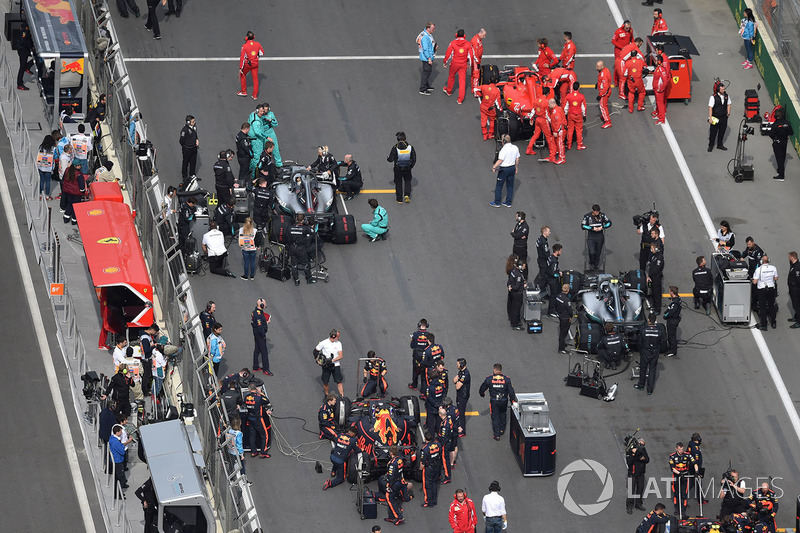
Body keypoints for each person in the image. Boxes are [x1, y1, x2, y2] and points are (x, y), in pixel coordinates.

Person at [478, 364, 516, 440]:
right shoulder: (507, 379)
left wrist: (482, 394)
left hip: (494, 401)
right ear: (500, 370)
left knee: (495, 417)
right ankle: (502, 429)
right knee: (503, 414)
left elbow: (482, 388)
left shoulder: (489, 379)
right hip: (504, 400)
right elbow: (511, 391)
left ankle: (497, 435)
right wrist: (513, 400)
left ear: (494, 370)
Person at [442, 29, 475, 105]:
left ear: (456, 35)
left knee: (451, 76)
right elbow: (471, 55)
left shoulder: (452, 43)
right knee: (462, 81)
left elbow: (448, 54)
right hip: (463, 64)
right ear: (464, 36)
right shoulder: (468, 44)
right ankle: (460, 99)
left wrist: (445, 62)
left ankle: (449, 91)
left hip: (454, 63)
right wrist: (470, 64)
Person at [635, 314, 663, 395]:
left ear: (648, 320)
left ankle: (641, 385)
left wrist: (641, 350)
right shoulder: (659, 330)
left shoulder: (643, 330)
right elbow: (662, 341)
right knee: (652, 370)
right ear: (655, 320)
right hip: (655, 351)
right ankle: (650, 389)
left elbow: (639, 342)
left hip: (645, 351)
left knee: (643, 369)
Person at [490, 134, 520, 207]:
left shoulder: (503, 150)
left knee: (499, 186)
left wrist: (494, 167)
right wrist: (516, 167)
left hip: (504, 169)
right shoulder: (515, 147)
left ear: (503, 141)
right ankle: (508, 203)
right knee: (510, 186)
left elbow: (500, 160)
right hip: (512, 168)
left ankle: (497, 202)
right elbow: (517, 158)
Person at [244, 382, 272, 458]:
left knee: (252, 435)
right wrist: (261, 393)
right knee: (264, 435)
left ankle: (253, 451)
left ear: (249, 389)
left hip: (250, 418)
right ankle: (263, 452)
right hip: (258, 418)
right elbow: (266, 400)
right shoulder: (258, 397)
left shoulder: (246, 397)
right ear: (255, 389)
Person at [387, 131, 416, 204]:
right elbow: (414, 158)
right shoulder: (410, 147)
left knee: (398, 182)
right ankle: (407, 195)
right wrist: (411, 166)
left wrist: (388, 158)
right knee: (407, 181)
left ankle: (399, 199)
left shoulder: (395, 147)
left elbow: (390, 159)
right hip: (407, 167)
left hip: (398, 168)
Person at [525, 88, 554, 156]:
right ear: (547, 93)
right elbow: (547, 114)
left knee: (536, 135)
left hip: (537, 119)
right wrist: (551, 122)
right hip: (544, 120)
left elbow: (533, 111)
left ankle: (529, 149)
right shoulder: (546, 102)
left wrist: (531, 119)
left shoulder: (536, 100)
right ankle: (552, 152)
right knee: (548, 136)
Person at [288, 214, 316, 286]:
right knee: (306, 264)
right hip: (300, 248)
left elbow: (287, 237)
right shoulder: (304, 228)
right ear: (303, 220)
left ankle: (296, 280)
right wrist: (311, 226)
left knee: (294, 265)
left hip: (292, 248)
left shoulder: (289, 227)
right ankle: (309, 278)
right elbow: (313, 232)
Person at [581, 204, 612, 270]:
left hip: (600, 236)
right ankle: (591, 262)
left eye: (598, 211)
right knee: (592, 251)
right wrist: (592, 228)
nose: (597, 213)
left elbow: (609, 223)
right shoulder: (587, 216)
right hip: (591, 236)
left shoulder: (602, 215)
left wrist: (602, 227)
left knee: (598, 252)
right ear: (593, 211)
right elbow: (583, 226)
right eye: (596, 212)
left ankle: (596, 265)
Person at [753, 255, 778, 330]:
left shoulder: (758, 269)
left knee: (762, 307)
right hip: (771, 289)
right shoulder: (773, 268)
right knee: (771, 306)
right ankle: (773, 322)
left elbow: (755, 282)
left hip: (762, 290)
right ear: (768, 261)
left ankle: (764, 325)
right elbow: (776, 278)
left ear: (761, 261)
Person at [316, 329, 344, 397]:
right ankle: (327, 395)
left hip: (336, 365)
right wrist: (318, 360)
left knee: (339, 381)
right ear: (334, 336)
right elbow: (315, 351)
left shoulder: (338, 343)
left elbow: (340, 355)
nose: (339, 338)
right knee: (325, 382)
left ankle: (342, 396)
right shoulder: (324, 343)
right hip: (326, 366)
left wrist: (332, 360)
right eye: (338, 336)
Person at [769, 107, 794, 181]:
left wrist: (775, 138)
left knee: (779, 159)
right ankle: (780, 170)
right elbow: (791, 133)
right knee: (782, 157)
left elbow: (771, 134)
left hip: (778, 143)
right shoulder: (787, 123)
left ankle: (781, 176)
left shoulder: (775, 124)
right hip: (784, 142)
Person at [238, 32, 265, 99]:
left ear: (246, 38)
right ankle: (255, 95)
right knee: (255, 79)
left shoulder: (244, 46)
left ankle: (244, 91)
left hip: (248, 64)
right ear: (254, 37)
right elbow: (262, 53)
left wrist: (241, 68)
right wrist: (256, 57)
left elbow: (242, 58)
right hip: (255, 63)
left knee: (242, 75)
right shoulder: (258, 44)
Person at [626, 437, 649, 514]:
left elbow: (647, 459)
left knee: (640, 489)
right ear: (638, 443)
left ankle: (638, 504)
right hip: (632, 473)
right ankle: (629, 505)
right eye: (641, 445)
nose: (642, 446)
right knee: (631, 490)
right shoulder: (630, 450)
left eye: (643, 445)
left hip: (641, 474)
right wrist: (634, 454)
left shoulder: (643, 450)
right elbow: (629, 462)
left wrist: (643, 458)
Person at [419, 432, 442, 507]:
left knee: (427, 485)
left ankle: (429, 501)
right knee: (434, 483)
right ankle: (434, 500)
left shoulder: (425, 449)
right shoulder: (438, 445)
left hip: (429, 468)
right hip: (437, 465)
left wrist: (420, 469)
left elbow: (422, 463)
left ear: (425, 439)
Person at [669, 442, 691, 517]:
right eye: (679, 449)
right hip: (676, 477)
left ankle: (683, 510)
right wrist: (679, 473)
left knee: (684, 494)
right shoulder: (672, 456)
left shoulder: (687, 455)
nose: (681, 451)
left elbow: (694, 463)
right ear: (676, 449)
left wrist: (697, 471)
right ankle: (677, 509)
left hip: (685, 476)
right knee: (676, 493)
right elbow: (672, 468)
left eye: (682, 449)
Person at [409, 320, 432, 391]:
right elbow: (430, 346)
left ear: (419, 325)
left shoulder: (415, 334)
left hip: (416, 355)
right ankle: (423, 389)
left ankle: (414, 385)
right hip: (425, 356)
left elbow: (412, 346)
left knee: (415, 370)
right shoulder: (429, 335)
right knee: (424, 372)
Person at [563, 82, 587, 150]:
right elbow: (583, 107)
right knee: (579, 130)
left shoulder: (568, 96)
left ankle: (569, 144)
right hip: (578, 115)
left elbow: (566, 107)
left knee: (570, 129)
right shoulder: (581, 96)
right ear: (579, 87)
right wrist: (584, 115)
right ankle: (579, 145)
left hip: (570, 114)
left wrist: (565, 114)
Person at [612, 20, 634, 94]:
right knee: (617, 65)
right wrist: (622, 47)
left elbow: (632, 39)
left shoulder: (630, 30)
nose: (628, 29)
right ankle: (615, 80)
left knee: (627, 64)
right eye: (627, 28)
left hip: (626, 50)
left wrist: (633, 46)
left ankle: (625, 79)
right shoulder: (618, 31)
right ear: (624, 25)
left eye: (629, 27)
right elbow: (613, 41)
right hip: (618, 50)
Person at [708, 84, 731, 152]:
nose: (724, 90)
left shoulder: (726, 96)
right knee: (713, 133)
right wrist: (710, 118)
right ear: (718, 89)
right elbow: (710, 108)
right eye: (722, 89)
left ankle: (719, 144)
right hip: (715, 117)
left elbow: (729, 104)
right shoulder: (713, 97)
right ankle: (711, 145)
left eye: (724, 89)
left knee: (722, 132)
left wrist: (728, 113)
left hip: (724, 117)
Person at [425, 369, 447, 437]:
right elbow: (444, 395)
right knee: (438, 422)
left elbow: (429, 398)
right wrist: (440, 404)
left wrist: (436, 405)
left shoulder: (429, 388)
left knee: (431, 424)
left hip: (432, 408)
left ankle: (431, 438)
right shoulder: (441, 385)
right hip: (439, 407)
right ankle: (439, 436)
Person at [251, 298, 271, 374]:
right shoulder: (259, 315)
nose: (265, 305)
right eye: (264, 304)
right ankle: (266, 369)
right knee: (264, 352)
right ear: (262, 305)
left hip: (256, 334)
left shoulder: (255, 312)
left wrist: (265, 322)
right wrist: (263, 335)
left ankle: (255, 367)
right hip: (260, 335)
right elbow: (260, 328)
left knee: (257, 350)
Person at [686, 432, 706, 505]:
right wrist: (697, 470)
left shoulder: (691, 444)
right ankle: (682, 499)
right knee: (691, 484)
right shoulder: (695, 449)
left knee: (697, 484)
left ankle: (701, 499)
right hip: (695, 468)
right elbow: (695, 461)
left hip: (693, 468)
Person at [506, 258, 526, 330]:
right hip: (518, 294)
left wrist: (509, 286)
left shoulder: (513, 270)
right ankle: (515, 324)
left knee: (512, 307)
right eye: (524, 266)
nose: (524, 267)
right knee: (516, 309)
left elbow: (510, 280)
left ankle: (513, 320)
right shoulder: (518, 275)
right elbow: (517, 286)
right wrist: (523, 286)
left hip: (512, 293)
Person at [546, 98, 567, 165]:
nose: (548, 106)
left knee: (560, 143)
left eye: (549, 104)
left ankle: (562, 158)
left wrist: (556, 131)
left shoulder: (556, 111)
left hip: (560, 130)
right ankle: (557, 154)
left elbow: (559, 122)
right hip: (560, 129)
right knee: (557, 143)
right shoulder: (558, 109)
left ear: (552, 103)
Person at [453, 358, 470, 437]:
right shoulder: (461, 372)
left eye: (458, 364)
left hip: (463, 396)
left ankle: (462, 430)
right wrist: (457, 381)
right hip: (460, 395)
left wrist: (457, 381)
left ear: (462, 365)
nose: (456, 365)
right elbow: (454, 380)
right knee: (460, 411)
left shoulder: (465, 374)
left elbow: (457, 386)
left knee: (461, 413)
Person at [179, 115, 199, 182]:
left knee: (193, 162)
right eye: (193, 121)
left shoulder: (194, 127)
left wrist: (197, 140)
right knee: (186, 162)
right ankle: (184, 176)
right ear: (188, 122)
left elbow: (195, 134)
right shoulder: (184, 130)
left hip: (194, 148)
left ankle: (192, 175)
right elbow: (181, 141)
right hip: (187, 149)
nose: (194, 122)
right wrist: (186, 146)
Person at [109, 426, 128, 498]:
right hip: (118, 461)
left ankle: (119, 492)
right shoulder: (116, 442)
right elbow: (122, 452)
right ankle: (117, 494)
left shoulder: (113, 439)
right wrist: (122, 447)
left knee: (118, 477)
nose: (121, 433)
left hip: (117, 460)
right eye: (120, 431)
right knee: (119, 478)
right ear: (117, 432)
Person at [418, 22, 436, 95]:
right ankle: (423, 89)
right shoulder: (425, 37)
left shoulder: (426, 34)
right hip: (426, 58)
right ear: (428, 28)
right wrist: (429, 58)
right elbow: (425, 49)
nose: (434, 30)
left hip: (427, 56)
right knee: (426, 73)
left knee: (428, 72)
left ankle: (426, 86)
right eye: (433, 29)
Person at [37, 134, 56, 200]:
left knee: (42, 180)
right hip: (49, 167)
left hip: (41, 166)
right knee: (48, 181)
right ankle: (47, 195)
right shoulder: (53, 148)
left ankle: (40, 194)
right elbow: (55, 157)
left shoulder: (41, 147)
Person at [545, 244, 563, 315]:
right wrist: (559, 274)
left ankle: (554, 309)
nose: (561, 252)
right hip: (553, 281)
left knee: (555, 294)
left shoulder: (550, 257)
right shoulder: (554, 261)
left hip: (549, 279)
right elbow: (553, 273)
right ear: (557, 251)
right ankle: (551, 311)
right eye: (560, 251)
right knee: (554, 295)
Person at [646, 240, 664, 313]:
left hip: (656, 277)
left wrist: (650, 275)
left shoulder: (659, 257)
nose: (651, 249)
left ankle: (658, 309)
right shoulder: (653, 255)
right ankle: (653, 305)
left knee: (657, 293)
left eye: (652, 248)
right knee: (653, 292)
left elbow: (656, 268)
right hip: (652, 277)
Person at [663, 286, 681, 357]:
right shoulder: (678, 298)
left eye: (670, 291)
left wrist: (665, 315)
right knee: (671, 335)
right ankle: (672, 347)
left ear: (672, 292)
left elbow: (671, 312)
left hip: (672, 320)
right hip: (675, 319)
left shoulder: (675, 303)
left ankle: (673, 351)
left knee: (671, 336)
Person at [652, 56, 670, 125]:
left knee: (660, 104)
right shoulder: (658, 68)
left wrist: (661, 89)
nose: (655, 61)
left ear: (659, 61)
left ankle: (662, 119)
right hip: (656, 89)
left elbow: (665, 81)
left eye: (656, 60)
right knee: (658, 103)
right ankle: (658, 114)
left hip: (659, 90)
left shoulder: (661, 70)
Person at [554, 284, 572, 353]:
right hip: (565, 317)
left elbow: (555, 305)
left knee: (562, 331)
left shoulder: (558, 296)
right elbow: (570, 310)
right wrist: (571, 316)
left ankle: (562, 344)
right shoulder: (567, 300)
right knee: (563, 333)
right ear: (567, 290)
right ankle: (561, 348)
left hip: (560, 315)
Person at [595, 61, 613, 129]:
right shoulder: (605, 70)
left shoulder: (603, 75)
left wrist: (600, 95)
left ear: (602, 66)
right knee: (604, 105)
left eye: (598, 67)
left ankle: (607, 121)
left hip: (604, 93)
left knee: (602, 106)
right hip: (606, 91)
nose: (596, 68)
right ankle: (604, 115)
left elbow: (605, 87)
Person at [15, 24, 33, 91]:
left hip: (27, 49)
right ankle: (19, 84)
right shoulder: (24, 29)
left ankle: (27, 66)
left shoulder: (28, 28)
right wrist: (30, 46)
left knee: (37, 56)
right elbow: (23, 40)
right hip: (23, 49)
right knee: (22, 67)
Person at [470, 28, 487, 93]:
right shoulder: (475, 41)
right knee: (476, 75)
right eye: (483, 35)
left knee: (474, 74)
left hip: (477, 60)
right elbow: (474, 52)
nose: (484, 37)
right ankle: (475, 90)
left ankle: (473, 87)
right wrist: (476, 61)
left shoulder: (478, 39)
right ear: (480, 33)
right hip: (476, 61)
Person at [535, 226, 551, 290]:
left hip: (540, 259)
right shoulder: (544, 242)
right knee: (544, 277)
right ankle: (540, 291)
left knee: (542, 274)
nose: (550, 233)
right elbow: (546, 253)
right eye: (548, 231)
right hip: (543, 261)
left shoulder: (539, 239)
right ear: (544, 232)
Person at [788, 252, 800, 328]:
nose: (788, 259)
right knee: (795, 304)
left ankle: (799, 321)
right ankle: (796, 317)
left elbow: (798, 279)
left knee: (797, 305)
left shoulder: (797, 267)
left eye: (789, 257)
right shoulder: (793, 265)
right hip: (793, 289)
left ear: (792, 257)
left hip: (796, 289)